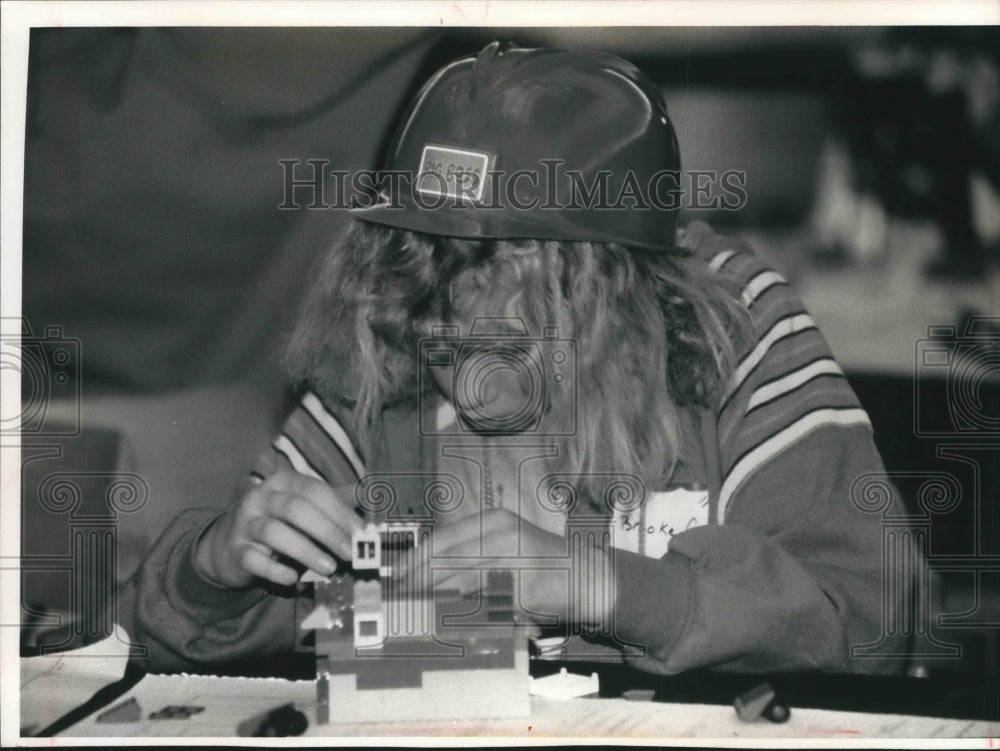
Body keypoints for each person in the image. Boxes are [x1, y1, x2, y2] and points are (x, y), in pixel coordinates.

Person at [119, 42, 909, 677]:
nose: (462, 374)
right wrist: (212, 567)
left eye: (515, 330)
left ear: (623, 290)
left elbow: (876, 622)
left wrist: (602, 585)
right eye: (439, 321)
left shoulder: (734, 326)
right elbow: (161, 642)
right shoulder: (389, 331)